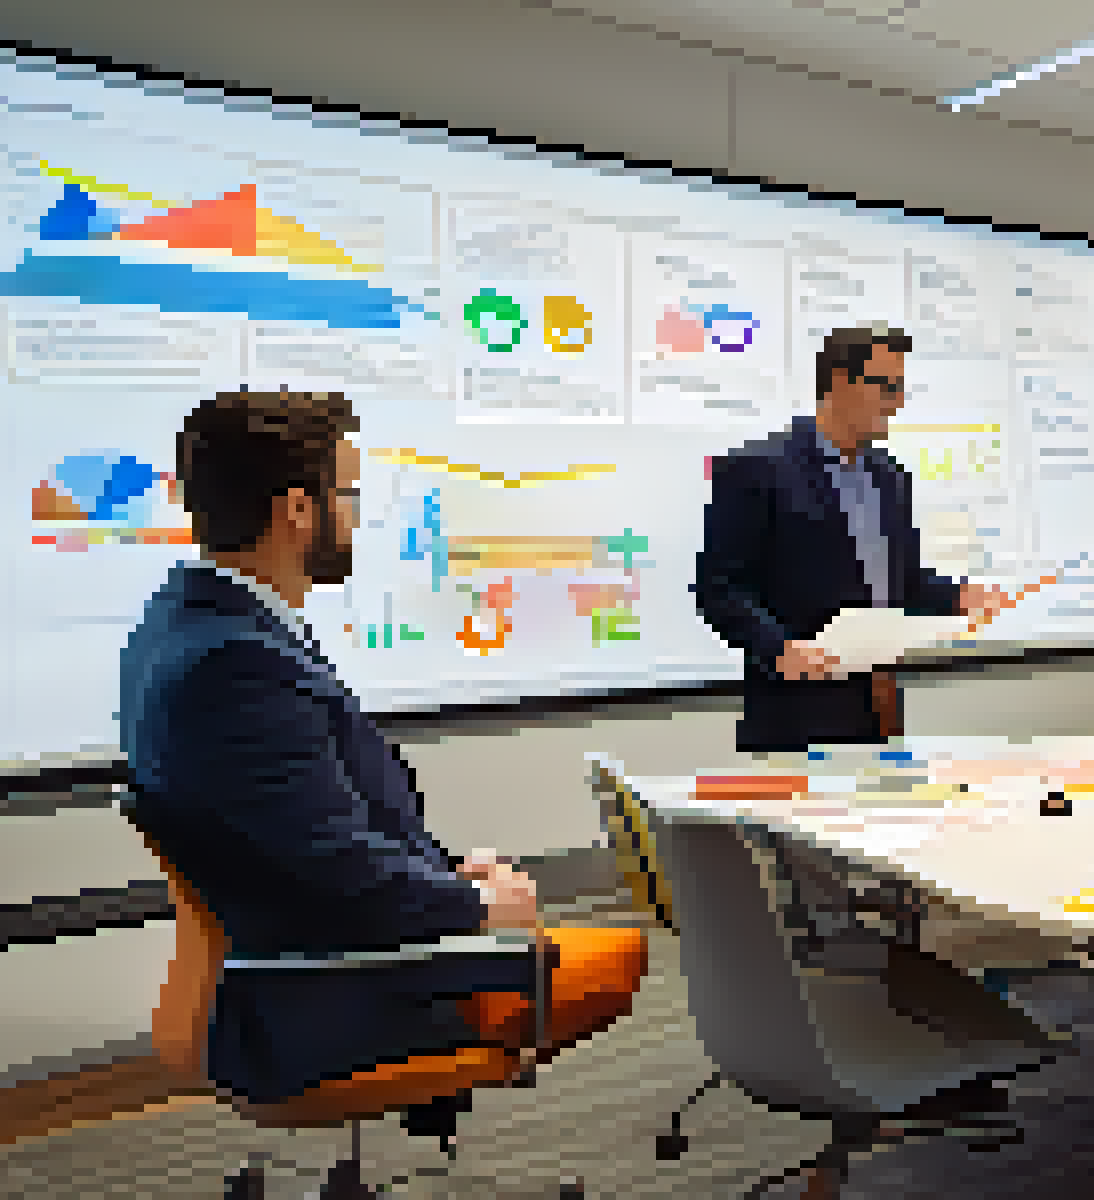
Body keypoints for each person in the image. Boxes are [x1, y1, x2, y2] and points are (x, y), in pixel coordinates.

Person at [118, 388, 647, 1112]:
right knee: (618, 952)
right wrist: (476, 904)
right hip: (328, 993)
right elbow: (343, 876)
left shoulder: (194, 621)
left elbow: (304, 837)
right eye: (349, 493)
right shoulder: (233, 663)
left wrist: (449, 873)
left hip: (303, 949)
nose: (355, 516)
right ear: (296, 510)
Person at [697, 325, 1013, 756]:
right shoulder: (758, 469)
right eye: (886, 387)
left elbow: (899, 581)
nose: (896, 403)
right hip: (795, 710)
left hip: (879, 703)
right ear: (840, 383)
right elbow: (718, 588)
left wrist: (959, 597)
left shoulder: (891, 478)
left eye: (901, 389)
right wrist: (780, 649)